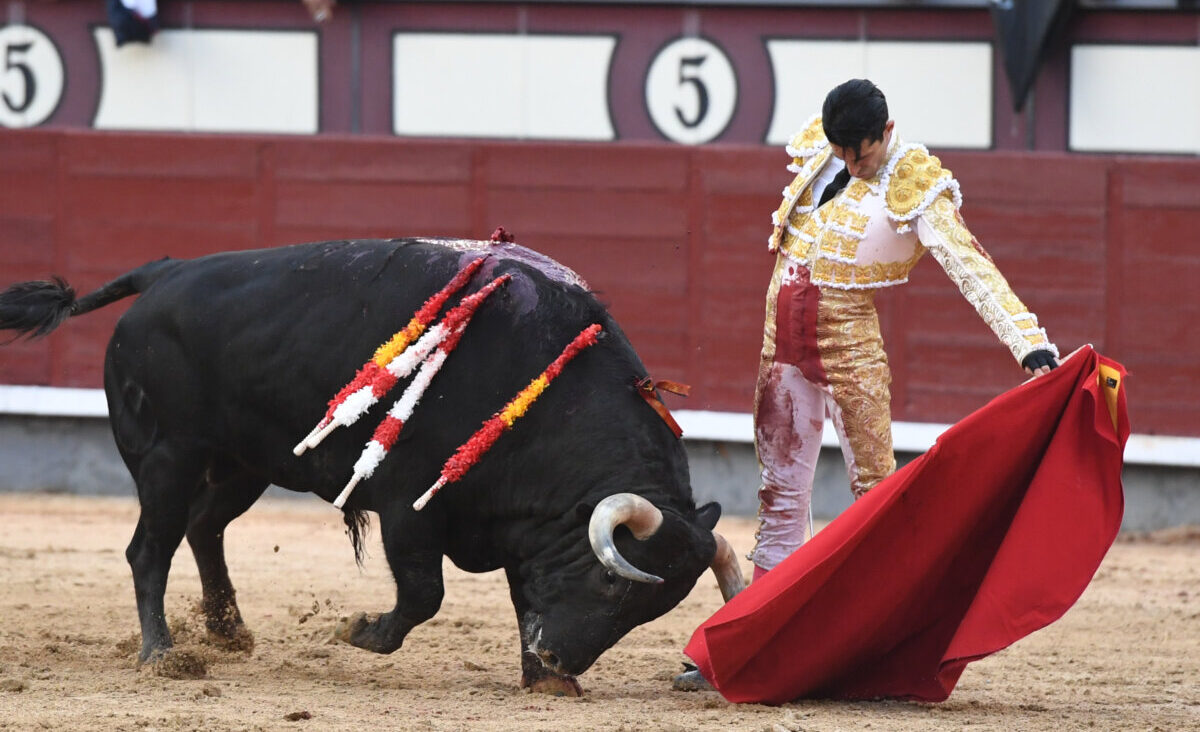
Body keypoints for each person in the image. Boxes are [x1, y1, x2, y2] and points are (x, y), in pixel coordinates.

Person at [747, 78, 1060, 581]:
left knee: (875, 498)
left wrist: (1028, 342)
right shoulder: (821, 152)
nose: (850, 166)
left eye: (861, 156)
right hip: (779, 353)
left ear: (887, 131)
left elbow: (969, 263)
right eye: (842, 154)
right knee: (778, 498)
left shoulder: (912, 183)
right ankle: (754, 641)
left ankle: (874, 631)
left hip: (849, 352)